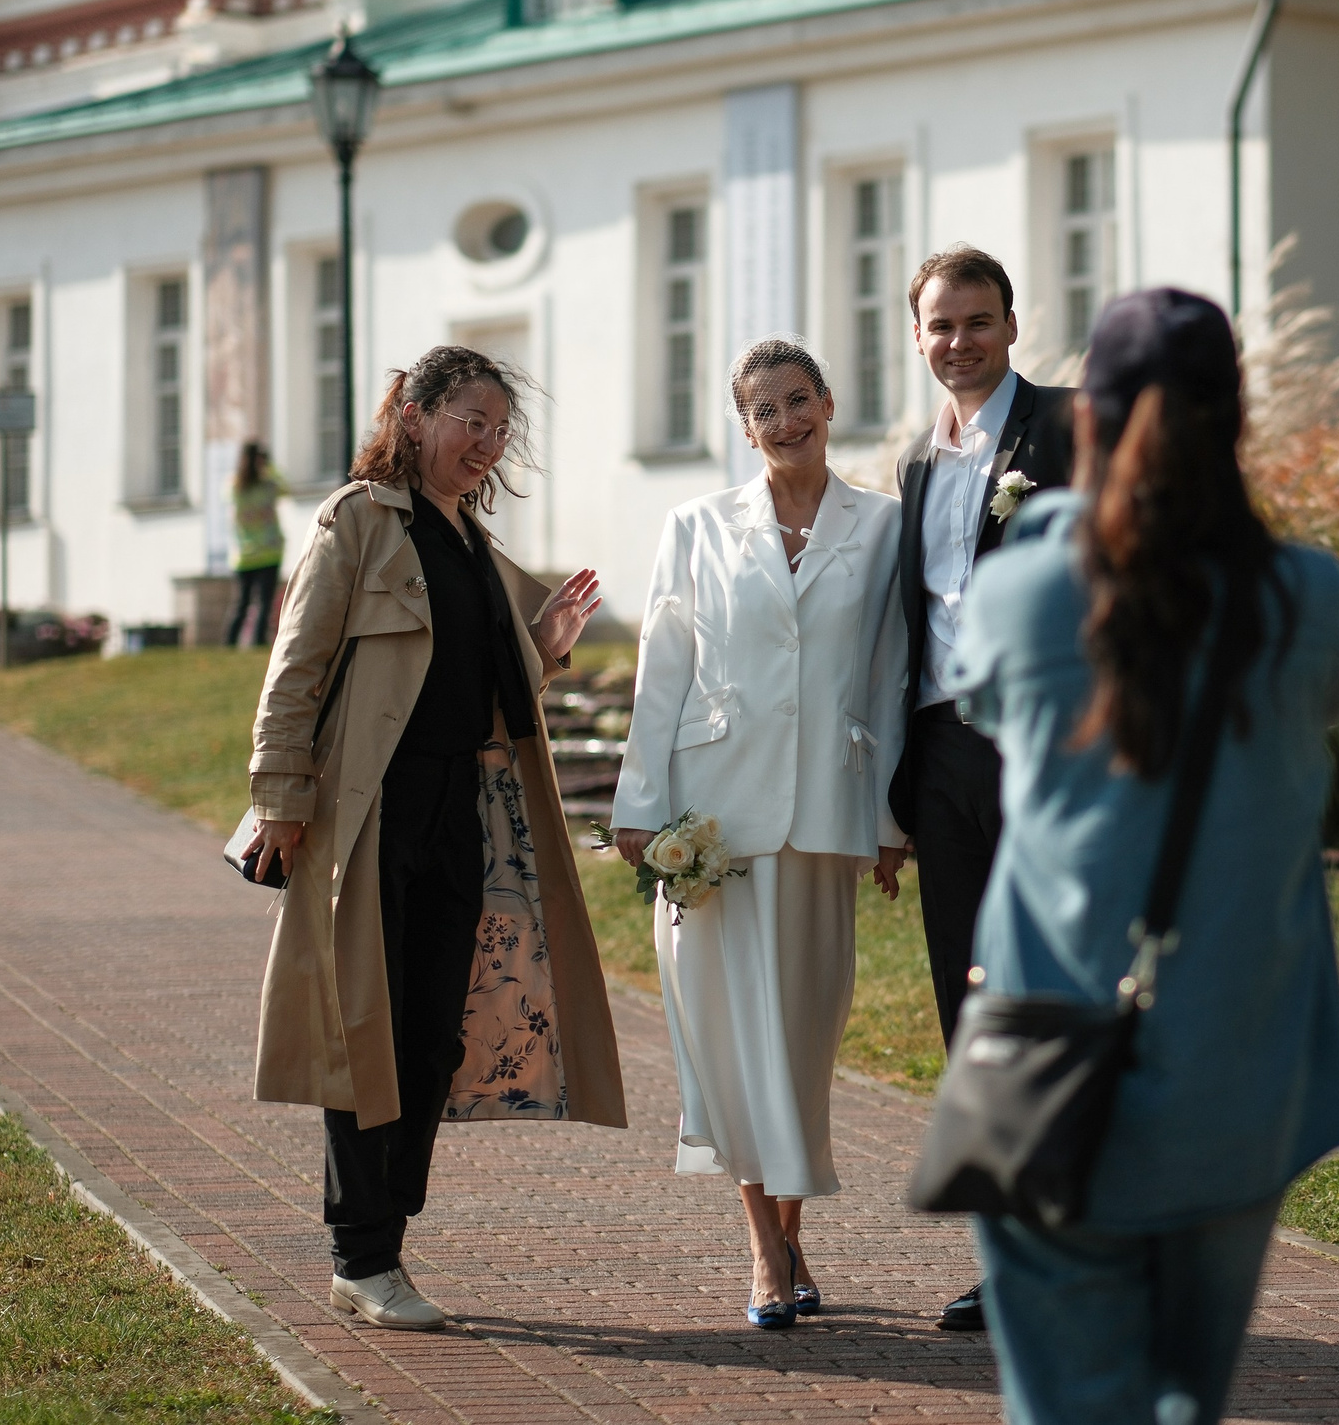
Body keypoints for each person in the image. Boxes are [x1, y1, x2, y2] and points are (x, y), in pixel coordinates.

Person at [946, 288, 1339, 1425]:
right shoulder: (1305, 599)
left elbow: (988, 706)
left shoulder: (1026, 590)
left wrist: (1058, 523)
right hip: (1237, 1070)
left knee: (1063, 1402)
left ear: (1087, 420)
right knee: (1185, 1396)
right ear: (1234, 421)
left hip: (1050, 1064)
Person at [241, 346, 625, 1332]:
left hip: (461, 812)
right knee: (362, 1030)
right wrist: (280, 797)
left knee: (431, 1035)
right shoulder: (358, 521)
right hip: (369, 815)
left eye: (501, 428)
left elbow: (486, 693)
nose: (487, 443)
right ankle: (360, 1255)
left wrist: (539, 649)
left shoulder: (472, 542)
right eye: (472, 419)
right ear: (414, 417)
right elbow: (296, 670)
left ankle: (382, 1245)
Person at [613, 338, 910, 1331]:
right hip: (713, 818)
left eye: (799, 401)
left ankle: (788, 1229)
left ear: (828, 401)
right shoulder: (696, 525)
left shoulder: (883, 527)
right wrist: (637, 804)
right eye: (764, 411)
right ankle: (763, 1246)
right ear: (743, 427)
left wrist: (888, 822)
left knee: (800, 1038)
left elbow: (893, 676)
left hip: (827, 810)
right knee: (728, 1041)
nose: (785, 422)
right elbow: (663, 664)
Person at [887, 244, 1075, 1334]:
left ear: (1012, 324)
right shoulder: (916, 464)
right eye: (939, 324)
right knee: (969, 1011)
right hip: (944, 762)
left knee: (1049, 999)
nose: (958, 340)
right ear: (915, 337)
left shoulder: (1068, 430)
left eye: (976, 320)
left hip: (1043, 760)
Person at [227, 441, 286, 647]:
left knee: (241, 604)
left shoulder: (234, 486)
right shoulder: (267, 485)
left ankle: (230, 643)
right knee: (264, 604)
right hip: (269, 551)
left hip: (243, 553)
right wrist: (270, 467)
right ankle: (258, 642)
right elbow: (286, 488)